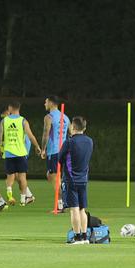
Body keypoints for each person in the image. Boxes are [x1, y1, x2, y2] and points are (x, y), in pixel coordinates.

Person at [58, 116, 94, 244]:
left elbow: (60, 158)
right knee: (82, 209)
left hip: (70, 179)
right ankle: (85, 237)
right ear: (84, 128)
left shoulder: (69, 142)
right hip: (84, 179)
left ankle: (77, 237)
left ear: (73, 127)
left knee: (74, 209)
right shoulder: (90, 141)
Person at [0, 102, 40, 206]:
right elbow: (30, 135)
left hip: (13, 152)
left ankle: (17, 195)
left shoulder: (5, 121)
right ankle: (24, 198)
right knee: (20, 176)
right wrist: (37, 146)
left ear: (10, 109)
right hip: (21, 152)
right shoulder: (23, 121)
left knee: (13, 176)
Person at [41, 96, 69, 208]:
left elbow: (46, 133)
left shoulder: (49, 117)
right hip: (65, 151)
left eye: (46, 102)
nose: (44, 104)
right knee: (53, 176)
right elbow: (71, 132)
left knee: (54, 178)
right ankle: (63, 199)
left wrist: (43, 149)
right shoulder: (65, 117)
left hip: (54, 151)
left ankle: (60, 204)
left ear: (51, 103)